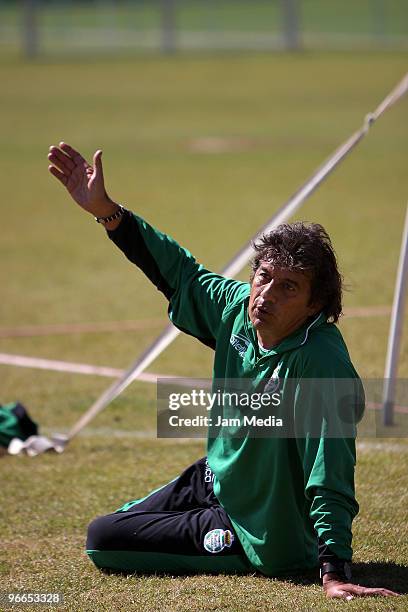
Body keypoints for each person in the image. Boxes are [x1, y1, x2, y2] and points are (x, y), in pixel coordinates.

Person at [48, 142, 398, 600]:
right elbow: (180, 273)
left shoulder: (322, 365)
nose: (266, 294)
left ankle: (244, 539)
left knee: (103, 540)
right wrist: (107, 212)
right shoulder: (238, 309)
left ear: (315, 304)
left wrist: (334, 569)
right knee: (119, 524)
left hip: (264, 528)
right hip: (219, 477)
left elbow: (331, 470)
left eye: (288, 287)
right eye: (264, 276)